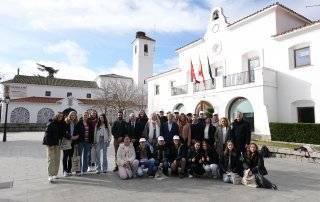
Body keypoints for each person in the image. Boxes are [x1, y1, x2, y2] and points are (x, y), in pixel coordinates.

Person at [43, 112, 65, 182]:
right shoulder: (51, 124)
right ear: (56, 116)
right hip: (51, 144)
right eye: (59, 116)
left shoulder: (61, 124)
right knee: (51, 160)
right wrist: (50, 145)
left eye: (61, 116)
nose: (60, 117)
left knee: (57, 159)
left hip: (58, 144)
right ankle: (50, 175)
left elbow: (63, 134)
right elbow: (47, 135)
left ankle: (55, 174)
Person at [63, 111, 78, 177]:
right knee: (65, 156)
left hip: (73, 142)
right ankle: (65, 170)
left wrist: (76, 137)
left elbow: (77, 132)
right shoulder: (66, 122)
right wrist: (71, 137)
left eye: (74, 115)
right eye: (71, 115)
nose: (73, 116)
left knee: (71, 157)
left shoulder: (76, 123)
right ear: (69, 115)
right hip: (66, 141)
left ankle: (69, 170)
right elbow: (64, 132)